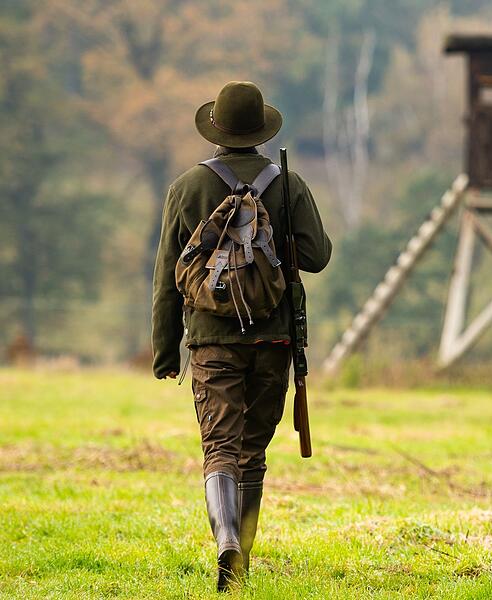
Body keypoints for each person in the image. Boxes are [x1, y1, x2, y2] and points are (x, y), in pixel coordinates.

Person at [151, 81, 332, 591]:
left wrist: (166, 351)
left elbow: (168, 275)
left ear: (216, 130)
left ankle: (225, 540)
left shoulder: (186, 188)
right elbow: (318, 257)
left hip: (211, 340)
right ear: (261, 131)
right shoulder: (288, 183)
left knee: (220, 446)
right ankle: (243, 557)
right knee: (253, 449)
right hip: (273, 340)